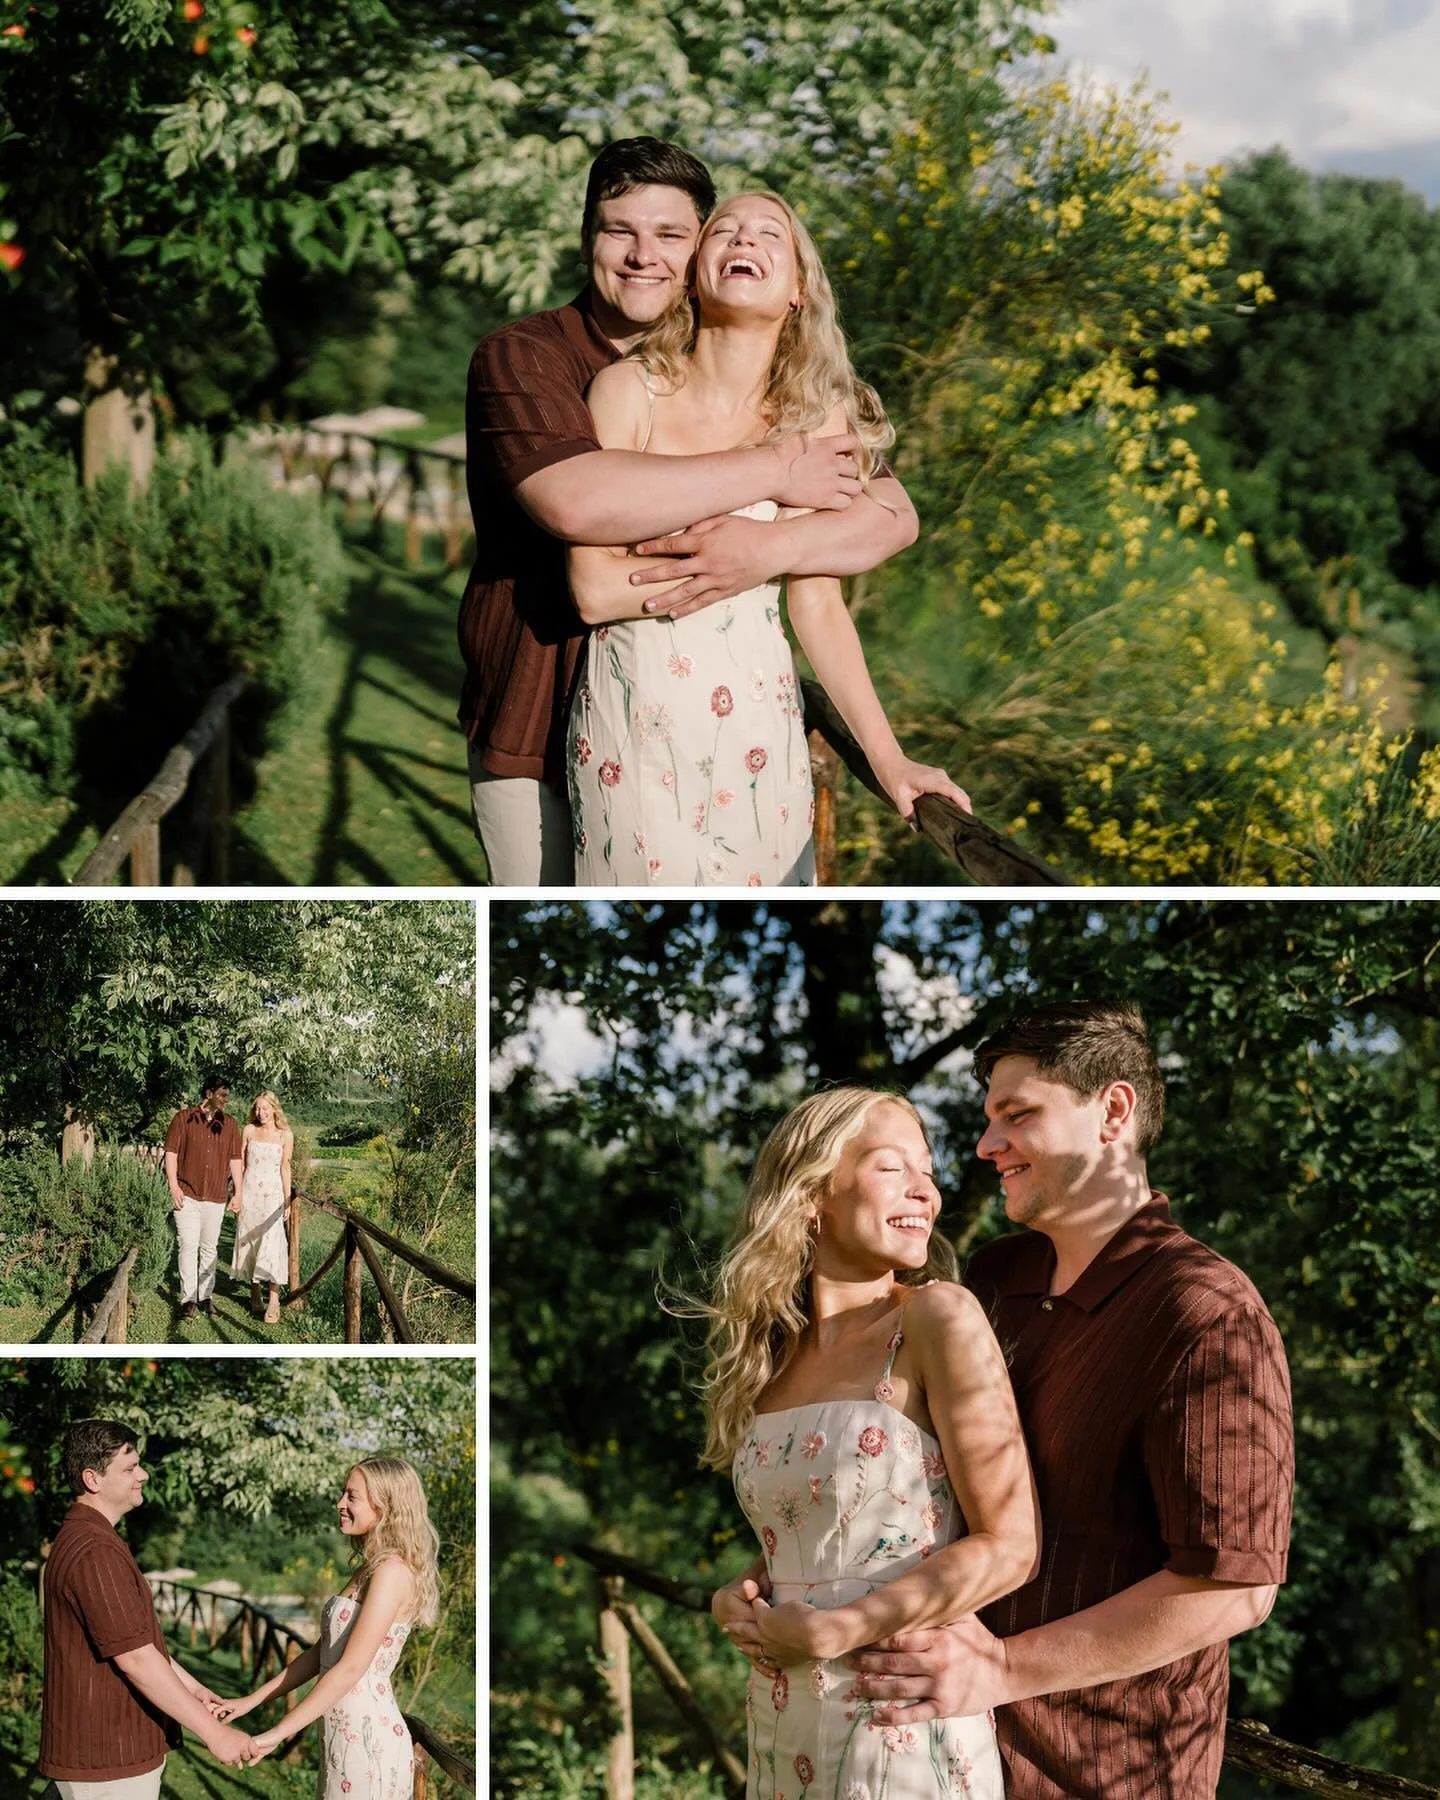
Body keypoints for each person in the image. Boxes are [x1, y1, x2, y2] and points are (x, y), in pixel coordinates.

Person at [845, 1001, 1295, 1800]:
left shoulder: (1204, 1312)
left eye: (1018, 1115)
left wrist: (1006, 1668)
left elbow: (1233, 1588)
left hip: (1105, 1776)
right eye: (988, 1118)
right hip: (934, 1757)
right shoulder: (992, 1280)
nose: (986, 1145)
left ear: (1113, 1111)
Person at [462, 135, 921, 884]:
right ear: (588, 241)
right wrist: (767, 494)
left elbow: (885, 521)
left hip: (755, 727)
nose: (645, 254)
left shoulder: (808, 407)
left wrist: (889, 756)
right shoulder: (537, 361)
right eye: (620, 231)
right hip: (549, 713)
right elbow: (579, 515)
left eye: (671, 234)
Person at [566, 191, 968, 885]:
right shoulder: (626, 392)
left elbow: (818, 606)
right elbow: (591, 589)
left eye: (768, 235)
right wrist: (731, 562)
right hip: (633, 728)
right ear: (697, 271)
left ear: (797, 290)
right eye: (724, 230)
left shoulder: (817, 422)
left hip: (762, 736)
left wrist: (890, 758)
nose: (743, 239)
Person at [698, 1088, 1036, 1799]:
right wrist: (745, 1589)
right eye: (893, 1169)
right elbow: (829, 1533)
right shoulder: (773, 1357)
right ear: (814, 1192)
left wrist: (841, 1629)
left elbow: (1011, 1547)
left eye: (928, 1171)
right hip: (783, 1724)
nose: (926, 1192)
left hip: (901, 1728)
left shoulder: (937, 1318)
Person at [38, 1418, 257, 1797]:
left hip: (106, 1755)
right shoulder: (95, 1552)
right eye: (129, 1467)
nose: (143, 1475)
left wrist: (193, 1689)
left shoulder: (91, 1540)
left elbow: (135, 1641)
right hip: (107, 1759)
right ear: (93, 1479)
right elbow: (136, 1658)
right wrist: (213, 1733)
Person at [213, 1456, 440, 1797]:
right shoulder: (368, 1569)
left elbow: (350, 1669)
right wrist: (251, 1701)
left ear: (386, 1506)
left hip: (368, 1742)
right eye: (342, 1494)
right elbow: (323, 1653)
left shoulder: (392, 1572)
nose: (340, 1504)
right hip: (340, 1737)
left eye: (352, 1496)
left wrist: (276, 1734)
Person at [162, 1074, 244, 1324]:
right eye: (222, 1095)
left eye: (227, 1096)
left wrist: (238, 1192)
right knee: (188, 1245)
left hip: (217, 1196)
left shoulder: (229, 1124)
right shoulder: (183, 1118)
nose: (226, 1100)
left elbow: (235, 1160)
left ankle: (206, 1296)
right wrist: (173, 1185)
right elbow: (171, 1153)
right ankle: (188, 1299)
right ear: (208, 1094)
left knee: (209, 1248)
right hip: (187, 1194)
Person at [232, 1090, 292, 1327]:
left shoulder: (286, 1135)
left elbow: (286, 1168)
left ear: (275, 1109)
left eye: (265, 1108)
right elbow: (240, 1163)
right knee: (251, 1242)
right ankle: (254, 1291)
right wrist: (236, 1193)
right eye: (257, 1108)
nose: (261, 1113)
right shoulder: (248, 1130)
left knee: (272, 1243)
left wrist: (287, 1200)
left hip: (272, 1196)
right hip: (250, 1194)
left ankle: (274, 1300)